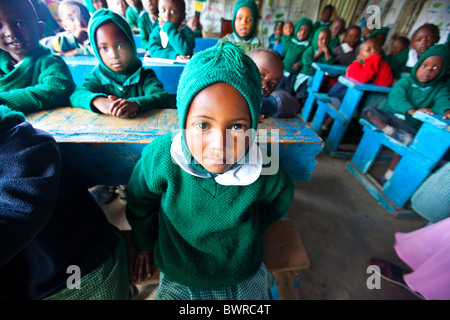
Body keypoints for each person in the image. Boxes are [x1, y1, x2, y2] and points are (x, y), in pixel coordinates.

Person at [125, 41, 295, 300]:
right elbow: (140, 200)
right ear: (183, 120)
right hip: (179, 270)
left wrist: (254, 232)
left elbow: (279, 198)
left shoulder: (263, 159)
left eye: (237, 127)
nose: (220, 145)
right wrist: (143, 242)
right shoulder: (163, 155)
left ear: (254, 123)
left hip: (244, 270)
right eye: (203, 125)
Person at [0, 104, 130, 300]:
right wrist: (94, 98)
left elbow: (57, 87)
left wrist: (140, 102)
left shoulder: (23, 144)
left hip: (73, 272)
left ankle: (117, 187)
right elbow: (83, 91)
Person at [364, 44, 450, 184]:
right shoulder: (406, 81)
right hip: (393, 119)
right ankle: (391, 131)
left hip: (411, 126)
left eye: (435, 68)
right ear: (418, 65)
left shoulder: (439, 88)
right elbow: (397, 99)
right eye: (424, 65)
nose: (428, 71)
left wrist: (446, 110)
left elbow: (443, 101)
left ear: (442, 72)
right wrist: (413, 111)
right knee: (369, 111)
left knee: (405, 144)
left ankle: (388, 177)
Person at [70, 9, 170, 117]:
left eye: (120, 46)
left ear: (131, 45)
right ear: (96, 51)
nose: (113, 55)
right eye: (104, 48)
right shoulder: (98, 76)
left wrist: (136, 103)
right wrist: (100, 102)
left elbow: (162, 97)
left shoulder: (145, 75)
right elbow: (76, 95)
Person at [0, 0, 75, 114]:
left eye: (20, 23)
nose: (10, 33)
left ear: (40, 29)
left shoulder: (50, 62)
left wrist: (3, 100)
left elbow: (57, 91)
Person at [318, 39, 393, 137]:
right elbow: (362, 78)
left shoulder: (379, 65)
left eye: (377, 49)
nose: (374, 51)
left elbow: (383, 82)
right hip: (341, 95)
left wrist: (379, 62)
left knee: (363, 110)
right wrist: (373, 59)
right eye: (369, 50)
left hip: (361, 99)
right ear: (359, 56)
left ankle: (346, 133)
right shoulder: (356, 64)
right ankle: (326, 125)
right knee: (343, 108)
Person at [248, 48, 300, 118]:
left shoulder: (266, 100)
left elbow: (294, 105)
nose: (265, 85)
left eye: (271, 84)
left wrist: (266, 105)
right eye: (260, 75)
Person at [293, 26, 334, 105]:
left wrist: (326, 52)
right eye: (321, 39)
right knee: (304, 90)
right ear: (316, 39)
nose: (324, 42)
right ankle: (298, 103)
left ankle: (309, 105)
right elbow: (306, 61)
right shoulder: (311, 49)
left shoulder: (329, 51)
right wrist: (318, 53)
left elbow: (330, 63)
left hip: (319, 77)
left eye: (327, 39)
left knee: (319, 89)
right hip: (306, 76)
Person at [279, 17, 313, 97]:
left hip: (293, 73)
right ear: (296, 30)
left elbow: (304, 59)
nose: (302, 33)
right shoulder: (291, 41)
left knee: (288, 91)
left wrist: (299, 64)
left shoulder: (307, 46)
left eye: (306, 31)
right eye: (300, 30)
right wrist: (278, 58)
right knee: (279, 87)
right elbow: (284, 52)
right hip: (283, 69)